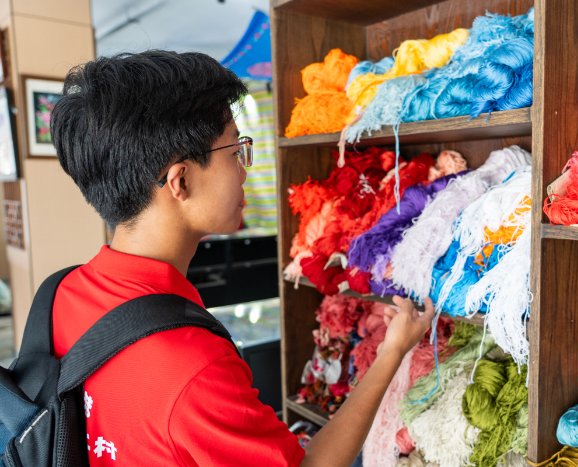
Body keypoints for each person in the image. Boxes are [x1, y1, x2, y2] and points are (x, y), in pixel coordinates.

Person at [49, 50, 435, 466]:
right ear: (180, 181)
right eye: (235, 152)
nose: (245, 171)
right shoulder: (194, 365)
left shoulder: (62, 293)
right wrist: (392, 351)